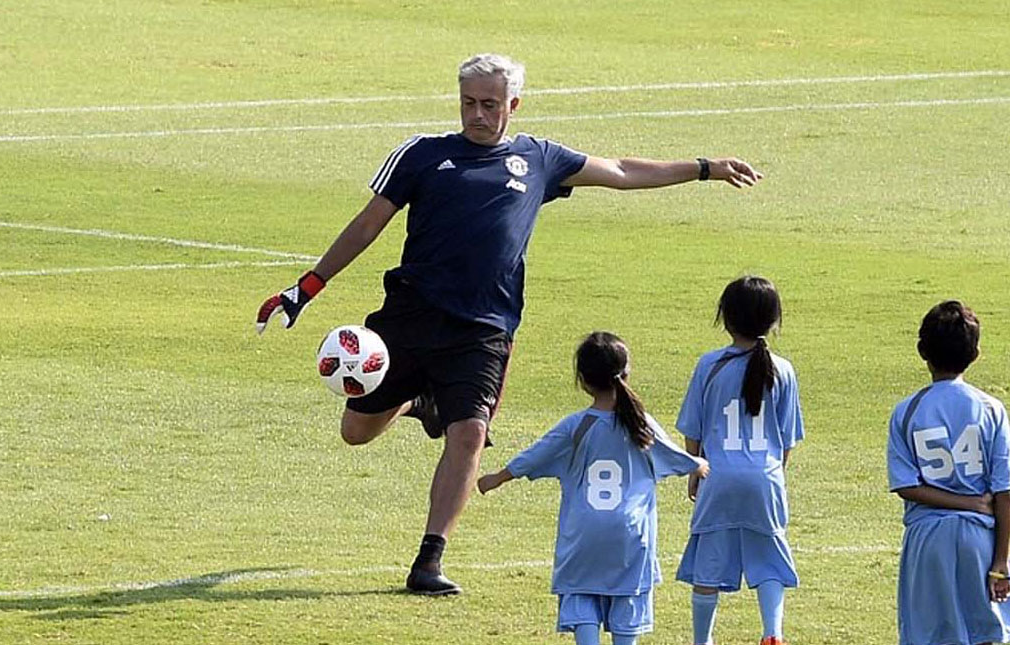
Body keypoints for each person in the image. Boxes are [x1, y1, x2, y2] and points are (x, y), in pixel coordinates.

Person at [256, 52, 763, 595]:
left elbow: (620, 171)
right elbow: (367, 223)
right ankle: (419, 401)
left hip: (484, 330)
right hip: (409, 316)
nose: (477, 114)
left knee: (470, 432)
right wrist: (308, 286)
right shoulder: (423, 155)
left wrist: (703, 167)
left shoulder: (538, 158)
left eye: (490, 104)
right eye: (469, 103)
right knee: (355, 432)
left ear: (513, 105)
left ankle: (429, 560)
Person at [477, 332, 708, 645]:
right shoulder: (640, 423)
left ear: (583, 380)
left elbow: (536, 455)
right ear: (626, 374)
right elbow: (672, 455)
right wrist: (697, 464)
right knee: (627, 598)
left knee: (581, 591)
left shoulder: (577, 425)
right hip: (630, 533)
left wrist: (497, 477)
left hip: (583, 532)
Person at [674, 276, 803, 645]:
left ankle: (703, 640)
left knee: (709, 559)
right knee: (769, 553)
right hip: (766, 475)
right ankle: (772, 632)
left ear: (726, 319)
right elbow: (788, 437)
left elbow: (693, 428)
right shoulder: (783, 369)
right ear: (773, 321)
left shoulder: (709, 365)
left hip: (719, 473)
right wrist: (774, 474)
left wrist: (694, 470)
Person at [887, 300, 1010, 645]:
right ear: (976, 353)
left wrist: (961, 503)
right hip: (980, 540)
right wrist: (1001, 561)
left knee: (927, 635)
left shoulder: (907, 411)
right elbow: (1004, 490)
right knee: (984, 631)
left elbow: (906, 485)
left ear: (922, 351)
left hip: (927, 539)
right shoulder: (991, 409)